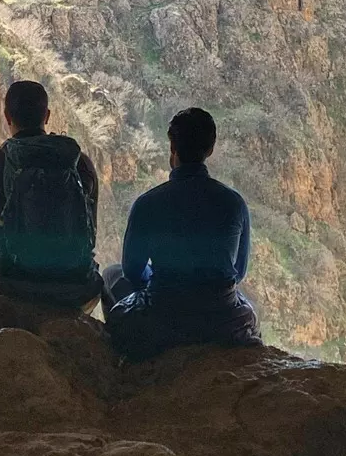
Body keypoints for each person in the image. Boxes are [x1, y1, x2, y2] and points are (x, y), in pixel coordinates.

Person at [101, 107, 262, 360]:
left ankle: (126, 362)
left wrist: (163, 282)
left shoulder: (148, 203)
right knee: (244, 306)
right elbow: (237, 272)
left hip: (163, 318)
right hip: (222, 320)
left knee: (111, 275)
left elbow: (132, 271)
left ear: (172, 148)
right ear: (210, 150)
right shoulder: (234, 203)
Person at [0, 79, 101, 309]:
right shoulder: (79, 163)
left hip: (12, 288)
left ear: (7, 116)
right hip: (76, 290)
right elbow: (90, 235)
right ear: (46, 116)